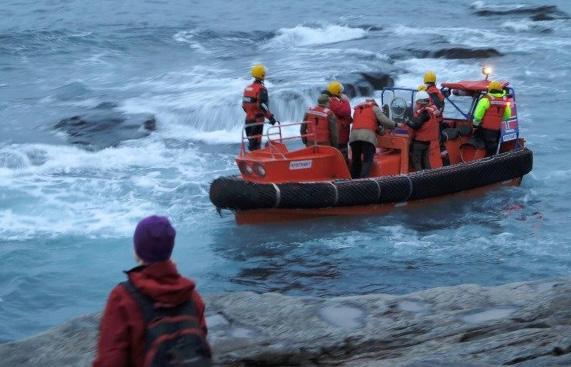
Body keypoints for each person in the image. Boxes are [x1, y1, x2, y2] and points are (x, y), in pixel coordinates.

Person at [93, 215, 211, 367]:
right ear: (170, 249)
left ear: (137, 251)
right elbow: (200, 341)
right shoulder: (191, 295)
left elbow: (111, 359)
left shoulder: (122, 297)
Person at [350, 98, 397, 178]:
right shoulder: (374, 108)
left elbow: (367, 123)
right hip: (367, 138)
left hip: (353, 138)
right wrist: (395, 125)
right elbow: (384, 121)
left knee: (356, 160)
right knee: (367, 161)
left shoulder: (357, 110)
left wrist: (380, 130)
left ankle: (353, 180)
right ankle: (364, 181)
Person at [242, 64, 277, 151]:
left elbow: (244, 106)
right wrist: (271, 118)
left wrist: (251, 112)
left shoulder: (247, 88)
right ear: (262, 75)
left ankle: (251, 162)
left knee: (251, 145)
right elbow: (262, 105)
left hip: (248, 121)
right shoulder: (261, 89)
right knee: (256, 145)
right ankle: (257, 163)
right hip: (257, 121)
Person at [472, 80, 512, 155]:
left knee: (474, 138)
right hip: (496, 130)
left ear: (490, 89)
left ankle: (475, 158)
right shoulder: (504, 100)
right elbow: (507, 116)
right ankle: (492, 158)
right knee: (492, 147)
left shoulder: (486, 99)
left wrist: (474, 126)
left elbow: (477, 115)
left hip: (485, 128)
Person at [406, 91, 441, 171]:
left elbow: (416, 125)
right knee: (425, 160)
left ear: (420, 102)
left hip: (419, 142)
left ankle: (420, 178)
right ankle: (429, 176)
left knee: (416, 161)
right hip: (427, 142)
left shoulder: (424, 112)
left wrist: (407, 121)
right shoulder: (432, 110)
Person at [323, 80, 352, 160]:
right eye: (341, 91)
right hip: (339, 136)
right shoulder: (333, 102)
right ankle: (343, 170)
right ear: (337, 92)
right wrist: (346, 101)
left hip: (338, 134)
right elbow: (346, 111)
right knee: (342, 155)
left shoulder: (330, 100)